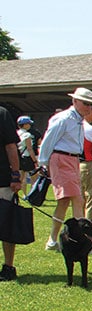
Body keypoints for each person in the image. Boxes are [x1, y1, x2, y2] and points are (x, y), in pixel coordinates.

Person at [38, 87, 92, 250]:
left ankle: (53, 240)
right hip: (62, 159)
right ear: (74, 101)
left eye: (91, 104)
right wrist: (43, 162)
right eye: (85, 103)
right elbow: (49, 139)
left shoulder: (78, 120)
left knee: (64, 202)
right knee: (77, 200)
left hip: (72, 159)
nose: (89, 108)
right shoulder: (63, 118)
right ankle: (82, 242)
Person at [1, 106, 22, 281]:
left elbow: (11, 146)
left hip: (2, 180)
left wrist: (16, 175)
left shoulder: (2, 114)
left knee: (6, 224)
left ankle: (8, 266)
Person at [16, 115, 38, 186]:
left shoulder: (16, 133)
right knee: (35, 178)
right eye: (28, 124)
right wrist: (35, 160)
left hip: (19, 157)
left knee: (20, 179)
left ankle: (16, 194)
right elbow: (29, 149)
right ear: (24, 125)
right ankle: (34, 195)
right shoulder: (27, 135)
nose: (30, 125)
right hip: (27, 158)